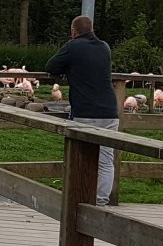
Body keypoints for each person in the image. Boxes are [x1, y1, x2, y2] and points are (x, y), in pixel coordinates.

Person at [45, 15, 119, 205]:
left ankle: (79, 200)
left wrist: (68, 69)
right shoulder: (105, 47)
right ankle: (100, 202)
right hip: (110, 112)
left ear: (73, 32)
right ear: (92, 29)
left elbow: (51, 66)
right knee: (106, 160)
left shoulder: (73, 46)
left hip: (86, 111)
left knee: (80, 157)